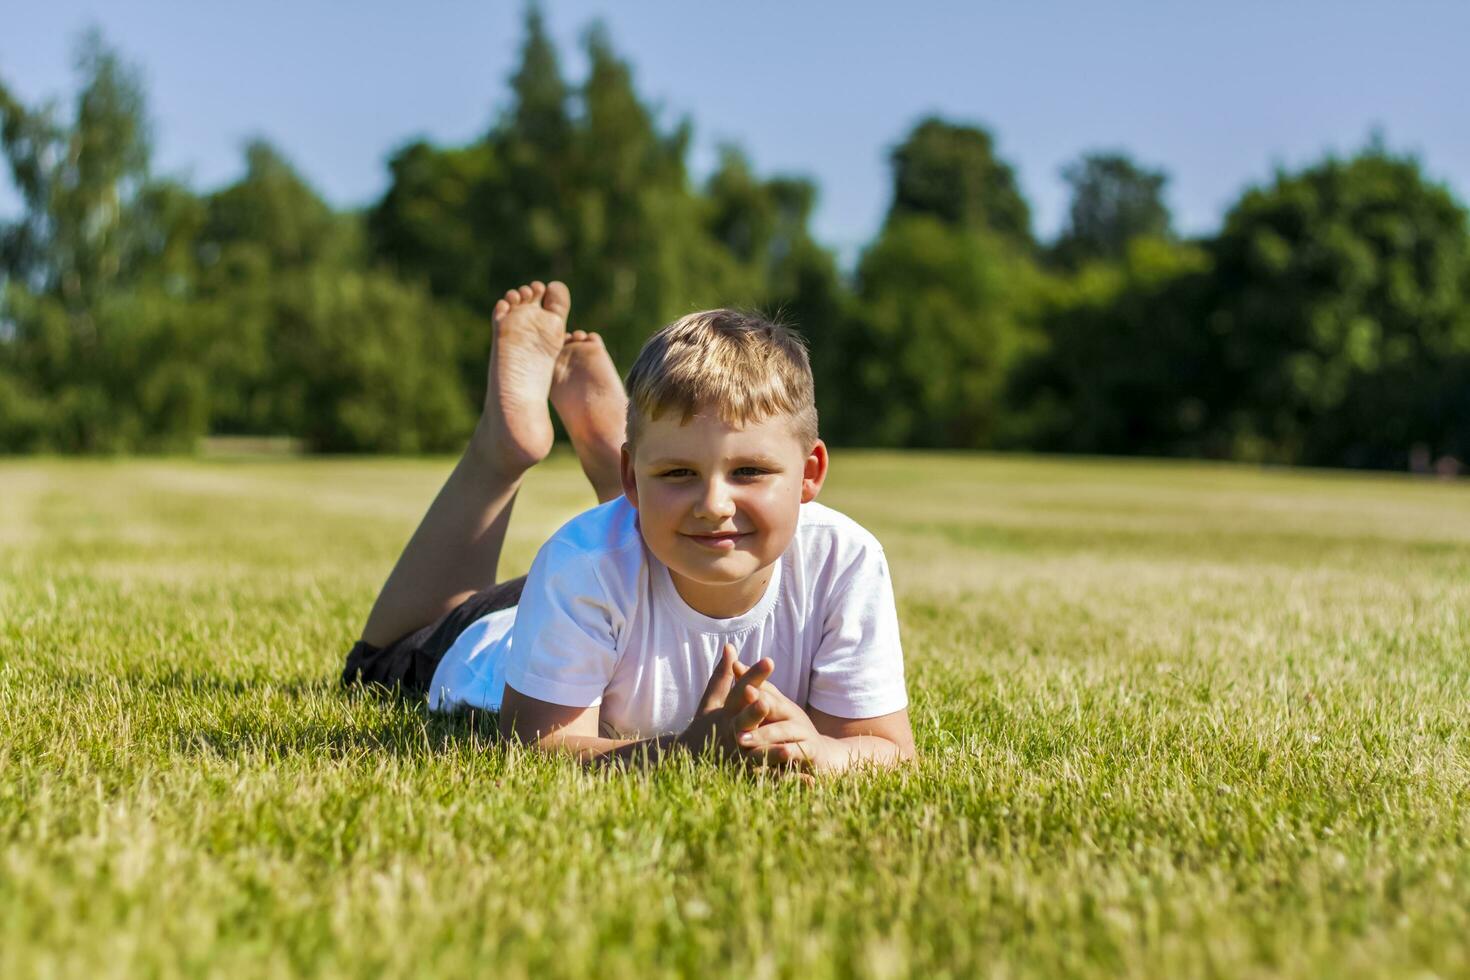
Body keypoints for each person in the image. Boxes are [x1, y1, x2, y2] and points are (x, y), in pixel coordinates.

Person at [343, 280, 915, 775]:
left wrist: (821, 750)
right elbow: (536, 746)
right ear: (634, 478)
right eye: (679, 472)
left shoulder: (846, 560)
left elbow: (884, 747)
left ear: (809, 473)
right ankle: (501, 449)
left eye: (749, 471)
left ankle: (624, 456)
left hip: (621, 587)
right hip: (508, 630)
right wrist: (685, 754)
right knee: (378, 663)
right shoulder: (580, 564)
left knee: (640, 537)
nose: (716, 504)